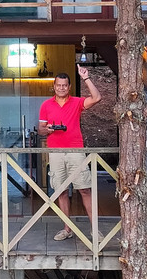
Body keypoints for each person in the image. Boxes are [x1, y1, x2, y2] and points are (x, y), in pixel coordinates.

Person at [39, 65, 101, 241]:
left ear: (69, 87)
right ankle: (67, 229)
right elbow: (40, 129)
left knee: (85, 190)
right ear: (54, 86)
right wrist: (48, 129)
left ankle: (95, 230)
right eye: (58, 85)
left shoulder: (76, 102)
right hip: (55, 151)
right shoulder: (46, 105)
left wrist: (86, 78)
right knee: (61, 191)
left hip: (75, 150)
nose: (61, 88)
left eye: (64, 85)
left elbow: (97, 98)